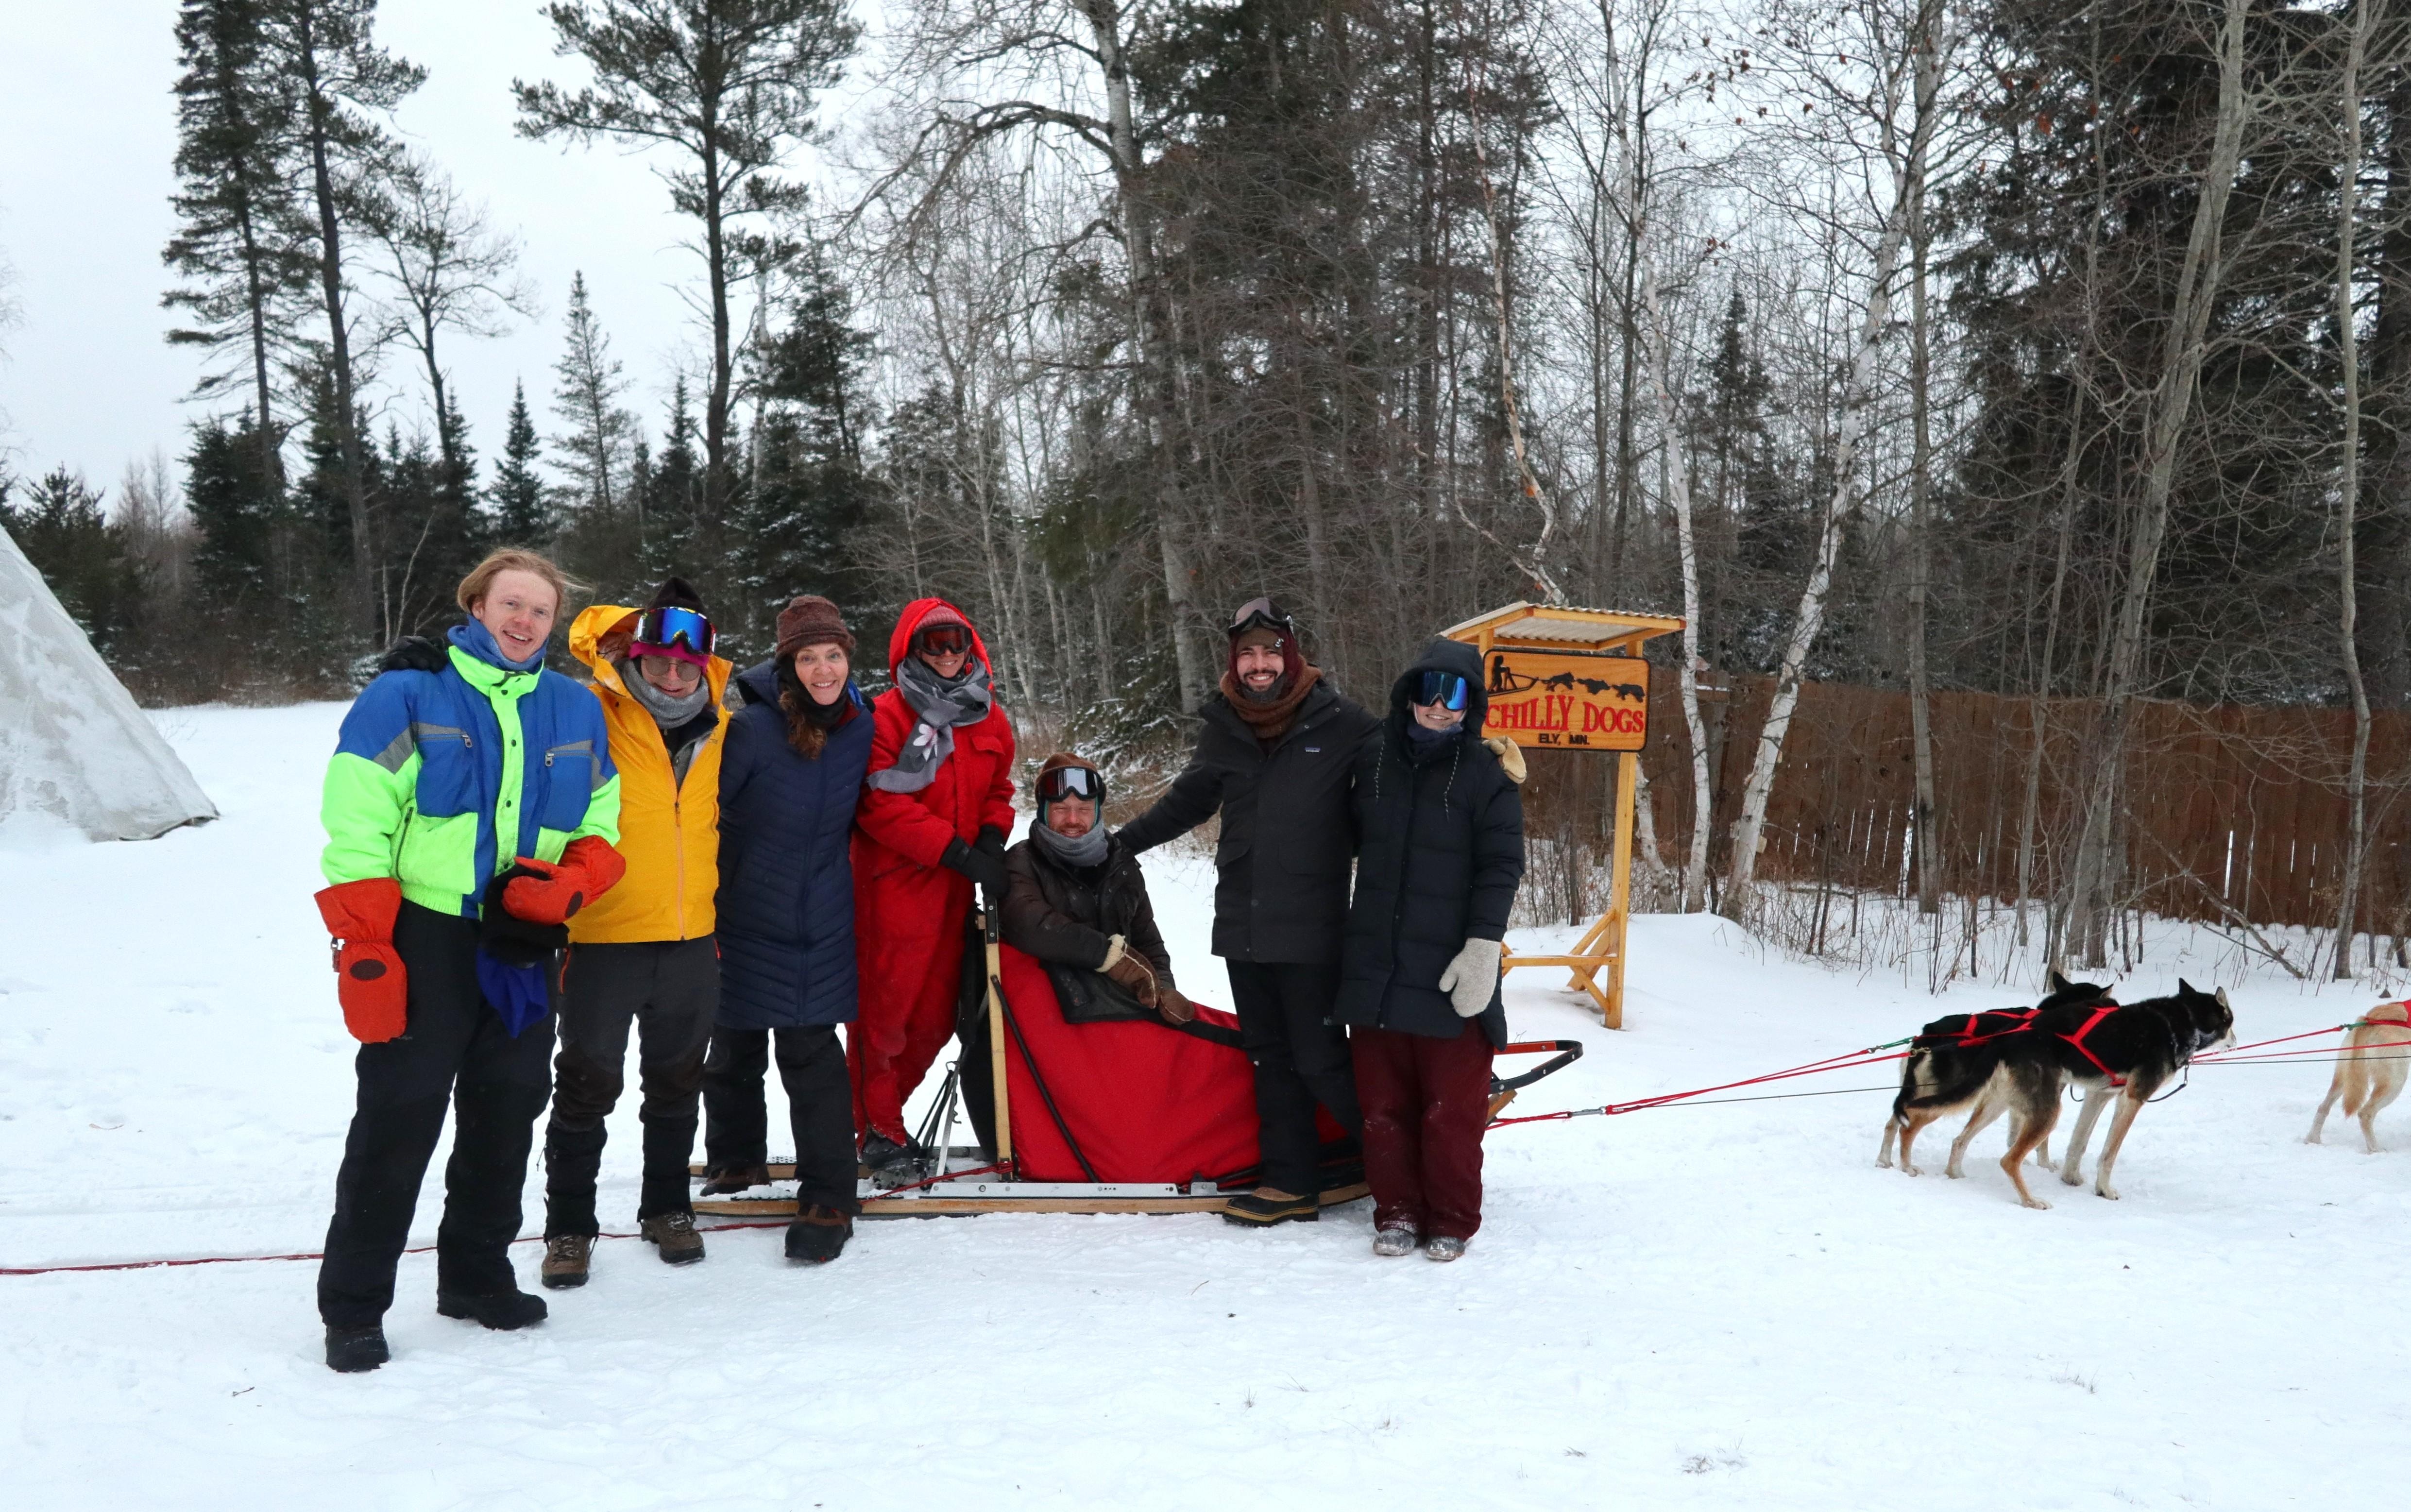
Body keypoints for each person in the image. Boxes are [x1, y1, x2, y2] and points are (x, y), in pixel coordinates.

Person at [311, 549, 624, 1373]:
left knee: (508, 1104)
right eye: (511, 604)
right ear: (477, 605)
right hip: (426, 932)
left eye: (540, 612)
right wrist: (369, 941)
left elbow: (602, 815)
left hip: (520, 937)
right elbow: (356, 817)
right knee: (399, 1112)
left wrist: (574, 881)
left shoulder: (573, 706)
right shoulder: (409, 693)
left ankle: (476, 1275)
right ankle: (352, 1305)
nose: (525, 622)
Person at [1116, 597, 1378, 1225]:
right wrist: (1114, 847)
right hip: (1243, 926)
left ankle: (1399, 1158)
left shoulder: (1343, 723)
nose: (1259, 664)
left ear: (1290, 653)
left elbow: (1397, 795)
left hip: (1313, 930)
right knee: (1269, 1058)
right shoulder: (1225, 727)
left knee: (1320, 1059)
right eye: (1247, 653)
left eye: (1270, 651)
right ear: (1235, 661)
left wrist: (1473, 768)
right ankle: (1291, 1184)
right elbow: (1185, 804)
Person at [537, 578, 732, 1290]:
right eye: (659, 661)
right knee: (588, 1084)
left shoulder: (723, 722)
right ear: (636, 657)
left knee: (678, 1082)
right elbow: (521, 693)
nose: (674, 675)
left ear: (705, 666)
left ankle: (666, 1208)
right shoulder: (591, 708)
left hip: (689, 937)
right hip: (603, 936)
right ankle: (569, 1227)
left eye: (688, 665)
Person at [699, 595, 877, 1263]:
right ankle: (737, 1158)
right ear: (788, 664)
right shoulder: (749, 729)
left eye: (833, 654)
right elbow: (707, 811)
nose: (824, 669)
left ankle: (829, 1194)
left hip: (822, 910)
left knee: (812, 1051)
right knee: (734, 1037)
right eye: (809, 657)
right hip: (743, 905)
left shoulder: (863, 725)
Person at [1337, 638, 1526, 1262]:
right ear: (1408, 694)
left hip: (1449, 967)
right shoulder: (1371, 758)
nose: (1438, 707)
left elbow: (1500, 866)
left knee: (1451, 1111)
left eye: (1455, 694)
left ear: (1471, 704)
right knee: (1383, 1108)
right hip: (1376, 966)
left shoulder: (1485, 774)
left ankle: (1450, 1216)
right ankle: (1395, 1209)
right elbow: (1331, 839)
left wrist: (1482, 947)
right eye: (1428, 691)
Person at [851, 597, 1017, 1181]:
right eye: (933, 644)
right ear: (911, 650)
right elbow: (877, 802)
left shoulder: (987, 715)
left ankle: (879, 1116)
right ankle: (878, 1127)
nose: (947, 655)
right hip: (894, 886)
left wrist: (993, 837)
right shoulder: (885, 716)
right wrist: (954, 849)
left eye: (956, 643)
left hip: (954, 888)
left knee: (936, 1016)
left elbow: (1000, 786)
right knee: (885, 1015)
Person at [1000, 752, 1194, 1027]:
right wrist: (1114, 959)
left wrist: (1163, 987)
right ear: (1044, 811)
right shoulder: (1021, 862)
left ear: (1098, 812)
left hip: (1116, 1014)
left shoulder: (1121, 864)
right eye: (1060, 809)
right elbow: (1032, 927)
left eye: (1084, 809)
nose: (1072, 820)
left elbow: (1148, 941)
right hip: (1046, 1019)